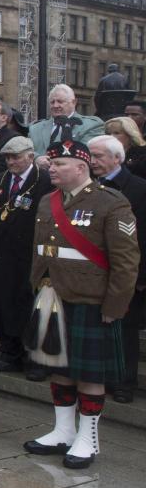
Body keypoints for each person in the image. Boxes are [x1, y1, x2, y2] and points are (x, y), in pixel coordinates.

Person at [24, 140, 138, 468]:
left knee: (89, 374)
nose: (52, 169)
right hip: (52, 297)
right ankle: (63, 431)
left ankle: (87, 438)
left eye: (59, 164)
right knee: (58, 369)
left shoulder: (110, 202)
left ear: (81, 166)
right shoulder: (47, 201)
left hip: (90, 299)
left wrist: (115, 306)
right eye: (51, 163)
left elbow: (126, 261)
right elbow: (40, 249)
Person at [0, 136, 52, 380]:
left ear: (30, 156)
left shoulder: (44, 181)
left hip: (30, 254)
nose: (10, 162)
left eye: (15, 157)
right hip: (4, 253)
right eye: (7, 158)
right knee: (5, 304)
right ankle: (9, 353)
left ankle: (36, 359)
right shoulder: (0, 180)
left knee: (31, 308)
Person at [88, 135, 146, 404]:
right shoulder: (88, 187)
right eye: (90, 155)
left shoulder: (139, 189)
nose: (93, 161)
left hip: (127, 272)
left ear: (117, 158)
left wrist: (141, 276)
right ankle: (103, 376)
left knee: (125, 328)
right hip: (93, 272)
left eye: (98, 156)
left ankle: (124, 381)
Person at [27, 84, 105, 156]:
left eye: (60, 102)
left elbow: (85, 153)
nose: (55, 105)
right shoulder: (35, 128)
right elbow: (26, 152)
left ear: (74, 102)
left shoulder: (91, 126)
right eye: (52, 102)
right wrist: (37, 159)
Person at [104, 115, 146, 180]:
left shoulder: (143, 155)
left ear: (130, 135)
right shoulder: (103, 153)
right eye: (108, 133)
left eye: (116, 133)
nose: (111, 137)